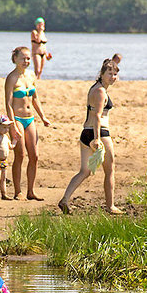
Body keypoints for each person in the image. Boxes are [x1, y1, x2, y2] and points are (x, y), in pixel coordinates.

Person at [58, 58, 123, 215]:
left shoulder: (95, 87)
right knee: (110, 170)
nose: (112, 76)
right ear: (101, 74)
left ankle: (65, 199)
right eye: (109, 73)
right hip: (99, 133)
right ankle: (110, 206)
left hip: (85, 132)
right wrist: (97, 139)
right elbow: (98, 116)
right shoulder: (101, 91)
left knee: (84, 171)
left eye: (115, 74)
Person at [4, 46, 51, 200]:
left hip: (30, 119)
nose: (26, 61)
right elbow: (8, 104)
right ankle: (18, 191)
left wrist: (43, 117)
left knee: (35, 156)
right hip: (16, 119)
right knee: (20, 155)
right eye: (23, 58)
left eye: (28, 58)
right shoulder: (11, 78)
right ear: (15, 59)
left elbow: (35, 98)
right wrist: (12, 125)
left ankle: (31, 191)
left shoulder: (31, 76)